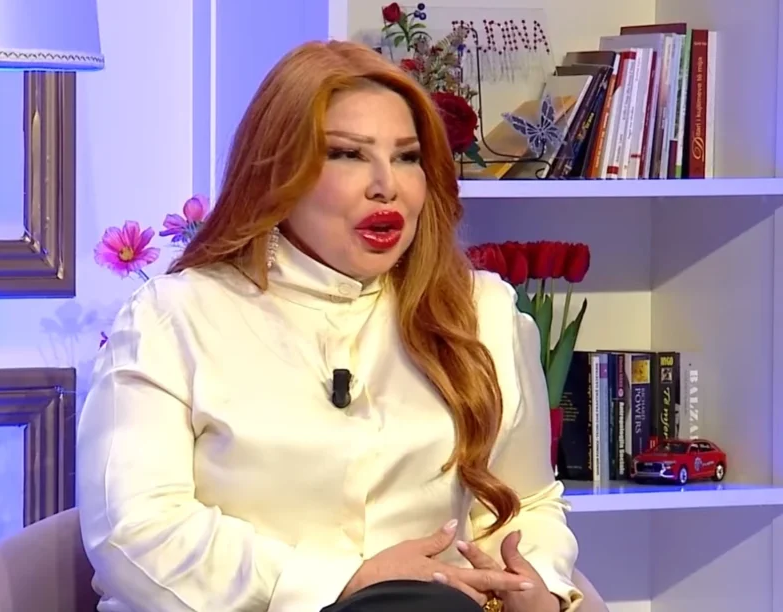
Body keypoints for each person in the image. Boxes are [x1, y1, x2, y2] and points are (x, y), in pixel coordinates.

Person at [77, 39, 583, 612]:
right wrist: (343, 583)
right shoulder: (174, 317)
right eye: (347, 154)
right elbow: (135, 530)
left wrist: (536, 585)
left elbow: (528, 504)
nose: (386, 184)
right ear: (278, 171)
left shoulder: (482, 311)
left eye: (407, 157)